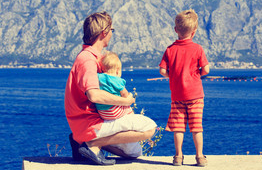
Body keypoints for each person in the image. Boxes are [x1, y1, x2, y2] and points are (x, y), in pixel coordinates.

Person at [65, 11, 156, 165]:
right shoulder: (87, 59)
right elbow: (93, 95)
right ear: (104, 32)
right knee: (149, 129)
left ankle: (80, 142)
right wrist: (125, 101)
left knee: (134, 153)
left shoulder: (95, 58)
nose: (112, 34)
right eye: (112, 31)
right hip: (90, 123)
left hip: (88, 123)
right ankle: (92, 144)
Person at [159, 9, 210, 167]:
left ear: (176, 30)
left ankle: (178, 157)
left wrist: (173, 76)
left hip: (177, 96)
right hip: (195, 95)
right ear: (194, 32)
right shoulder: (198, 49)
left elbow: (162, 71)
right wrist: (197, 75)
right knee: (196, 127)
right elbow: (206, 70)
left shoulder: (170, 50)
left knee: (178, 128)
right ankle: (200, 157)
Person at [96, 51, 133, 120]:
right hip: (114, 111)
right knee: (129, 108)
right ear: (117, 70)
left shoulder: (98, 76)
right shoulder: (118, 81)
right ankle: (133, 121)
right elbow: (125, 95)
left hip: (102, 112)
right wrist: (130, 95)